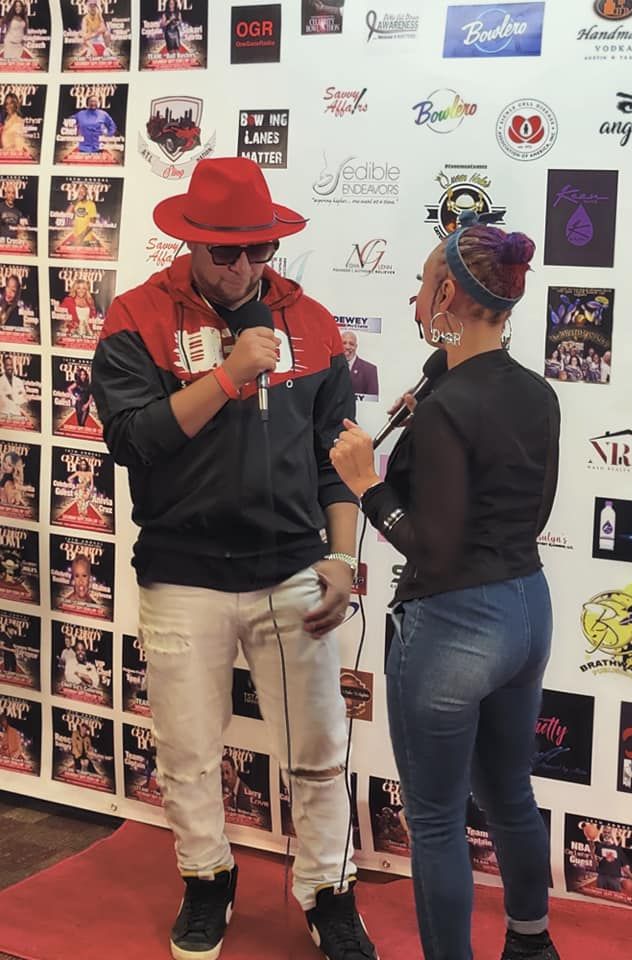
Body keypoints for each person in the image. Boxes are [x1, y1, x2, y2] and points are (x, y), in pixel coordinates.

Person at [91, 157, 378, 960]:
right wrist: (226, 375)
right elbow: (133, 441)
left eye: (260, 250)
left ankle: (328, 892)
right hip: (183, 574)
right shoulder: (136, 317)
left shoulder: (311, 322)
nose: (245, 267)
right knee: (188, 751)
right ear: (190, 243)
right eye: (227, 252)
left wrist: (343, 558)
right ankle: (207, 880)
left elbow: (335, 460)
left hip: (293, 570)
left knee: (319, 751)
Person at [330, 211, 561, 960]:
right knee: (510, 792)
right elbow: (533, 513)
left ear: (449, 296)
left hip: (455, 621)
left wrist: (366, 484)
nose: (414, 297)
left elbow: (429, 545)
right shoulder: (538, 393)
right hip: (527, 608)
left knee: (434, 821)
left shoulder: (448, 409)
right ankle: (531, 944)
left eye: (424, 281)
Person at [57, 183, 102, 252]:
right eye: (79, 192)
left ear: (86, 193)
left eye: (83, 191)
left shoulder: (91, 204)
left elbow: (92, 222)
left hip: (86, 238)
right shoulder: (76, 203)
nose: (81, 193)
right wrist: (76, 200)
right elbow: (67, 214)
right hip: (76, 237)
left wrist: (81, 236)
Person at [341, 331, 379, 398]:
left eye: (351, 344)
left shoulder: (370, 370)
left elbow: (372, 400)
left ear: (356, 346)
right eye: (344, 343)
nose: (347, 347)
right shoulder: (330, 368)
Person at [0, 352, 26, 418]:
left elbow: (23, 398)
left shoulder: (19, 381)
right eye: (7, 365)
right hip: (3, 415)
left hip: (17, 414)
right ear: (4, 366)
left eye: (11, 365)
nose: (10, 367)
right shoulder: (0, 381)